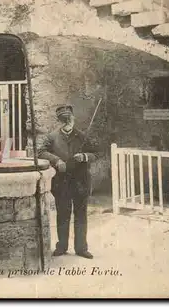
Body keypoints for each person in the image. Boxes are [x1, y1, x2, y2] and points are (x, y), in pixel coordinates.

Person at [37, 105, 99, 259]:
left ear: (73, 119)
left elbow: (96, 153)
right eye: (64, 119)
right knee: (63, 214)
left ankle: (81, 248)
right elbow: (41, 152)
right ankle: (62, 246)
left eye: (69, 119)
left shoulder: (82, 136)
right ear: (59, 121)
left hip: (80, 181)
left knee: (81, 215)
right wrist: (56, 160)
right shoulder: (51, 137)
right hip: (61, 182)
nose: (67, 122)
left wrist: (84, 156)